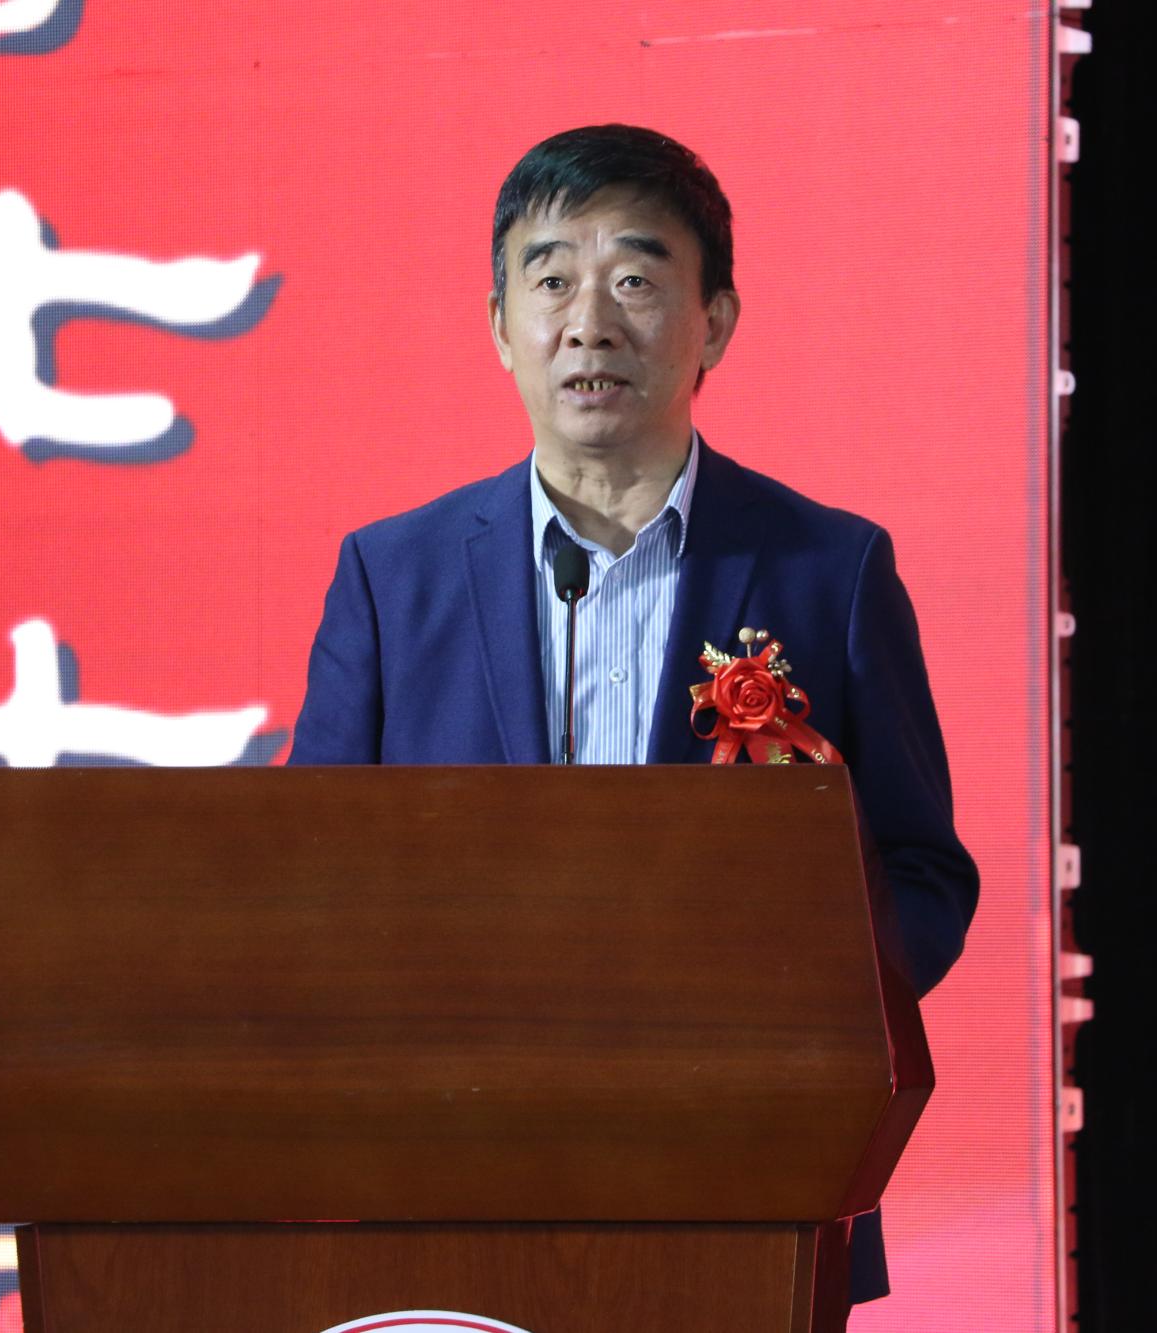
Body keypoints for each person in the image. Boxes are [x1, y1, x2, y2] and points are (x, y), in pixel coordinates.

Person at [289, 123, 978, 1307]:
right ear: (499, 324)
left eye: (635, 281)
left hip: (747, 1175)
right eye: (551, 279)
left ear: (715, 322)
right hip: (451, 1178)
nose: (588, 323)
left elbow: (921, 876)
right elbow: (304, 880)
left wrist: (786, 1017)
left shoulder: (827, 569)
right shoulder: (390, 579)